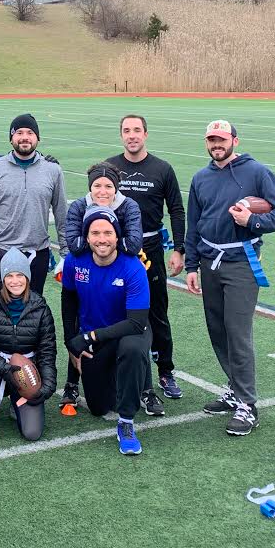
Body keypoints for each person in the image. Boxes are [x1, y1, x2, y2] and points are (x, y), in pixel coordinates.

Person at [184, 120, 275, 437]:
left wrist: (253, 220)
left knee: (238, 332)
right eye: (211, 140)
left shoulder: (257, 172)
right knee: (217, 329)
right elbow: (194, 225)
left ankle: (248, 404)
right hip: (208, 262)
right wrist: (192, 266)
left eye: (221, 139)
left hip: (241, 262)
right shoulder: (201, 178)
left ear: (234, 140)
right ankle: (234, 389)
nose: (216, 145)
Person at [107, 114, 187, 406]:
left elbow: (177, 210)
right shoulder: (110, 167)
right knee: (118, 313)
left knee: (156, 312)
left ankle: (165, 371)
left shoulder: (162, 169)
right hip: (117, 252)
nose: (132, 136)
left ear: (146, 134)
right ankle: (121, 370)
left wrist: (179, 249)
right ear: (121, 135)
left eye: (137, 130)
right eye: (126, 131)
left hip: (151, 250)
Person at [60, 207, 152, 455]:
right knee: (99, 407)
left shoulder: (132, 267)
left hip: (130, 331)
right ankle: (131, 376)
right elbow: (68, 300)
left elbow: (135, 323)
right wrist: (72, 343)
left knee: (132, 349)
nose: (102, 239)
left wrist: (88, 337)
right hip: (99, 340)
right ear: (87, 237)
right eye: (95, 233)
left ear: (117, 236)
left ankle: (127, 423)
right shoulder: (74, 261)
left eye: (108, 233)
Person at [59, 161, 144, 413]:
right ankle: (73, 383)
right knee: (98, 407)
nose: (103, 191)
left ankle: (146, 386)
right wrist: (99, 246)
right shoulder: (78, 207)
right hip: (91, 277)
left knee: (137, 333)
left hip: (122, 283)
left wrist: (103, 243)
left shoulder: (128, 206)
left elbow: (133, 244)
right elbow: (73, 245)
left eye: (109, 186)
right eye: (97, 185)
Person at [0, 113, 68, 297]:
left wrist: (66, 253)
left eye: (30, 132)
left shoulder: (53, 170)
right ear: (11, 138)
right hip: (0, 251)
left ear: (38, 138)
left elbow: (61, 214)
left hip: (37, 253)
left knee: (31, 315)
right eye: (19, 132)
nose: (25, 137)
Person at [0, 247, 57, 453]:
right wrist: (2, 367)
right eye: (9, 275)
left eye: (20, 275)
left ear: (27, 277)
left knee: (32, 433)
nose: (15, 281)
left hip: (25, 375)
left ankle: (17, 403)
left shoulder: (40, 307)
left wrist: (47, 388)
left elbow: (47, 351)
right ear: (2, 278)